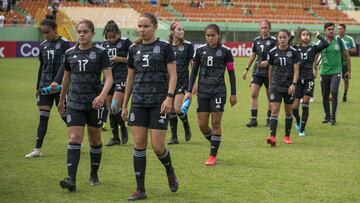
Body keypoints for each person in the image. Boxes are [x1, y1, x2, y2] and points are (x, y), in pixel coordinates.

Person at [121, 13, 178, 201]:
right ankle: (140, 189)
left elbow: (173, 75)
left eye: (146, 26)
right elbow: (130, 77)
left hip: (158, 103)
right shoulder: (133, 48)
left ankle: (169, 170)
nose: (142, 30)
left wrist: (169, 98)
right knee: (138, 143)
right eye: (139, 26)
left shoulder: (164, 47)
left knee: (158, 146)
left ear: (154, 27)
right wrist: (124, 104)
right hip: (138, 102)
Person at [58, 19, 113, 192]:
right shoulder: (69, 53)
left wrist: (102, 96)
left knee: (95, 139)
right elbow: (66, 78)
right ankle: (71, 179)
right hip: (74, 102)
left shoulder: (100, 52)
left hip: (94, 103)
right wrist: (61, 100)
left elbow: (109, 78)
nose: (81, 34)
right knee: (74, 138)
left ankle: (94, 174)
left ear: (92, 33)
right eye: (79, 31)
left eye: (85, 32)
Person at [185, 24, 237, 166]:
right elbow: (193, 72)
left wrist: (234, 93)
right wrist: (189, 91)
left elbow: (231, 73)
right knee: (202, 125)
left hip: (219, 92)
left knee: (216, 123)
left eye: (213, 35)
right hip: (202, 92)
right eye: (208, 35)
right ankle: (214, 142)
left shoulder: (226, 51)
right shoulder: (200, 51)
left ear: (218, 35)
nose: (210, 38)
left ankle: (212, 155)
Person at [25, 17, 70, 158]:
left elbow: (65, 66)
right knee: (43, 118)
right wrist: (38, 86)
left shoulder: (64, 43)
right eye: (43, 32)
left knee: (64, 114)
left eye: (47, 32)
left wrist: (56, 82)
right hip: (45, 86)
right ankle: (37, 149)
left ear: (54, 30)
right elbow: (41, 66)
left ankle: (76, 136)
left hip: (59, 87)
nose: (45, 35)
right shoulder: (43, 45)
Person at [292, 29, 329, 136]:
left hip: (309, 78)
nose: (306, 36)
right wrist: (292, 36)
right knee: (294, 108)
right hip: (297, 79)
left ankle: (302, 130)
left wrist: (319, 36)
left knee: (305, 105)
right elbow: (286, 44)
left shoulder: (313, 48)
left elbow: (325, 44)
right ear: (300, 37)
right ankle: (298, 121)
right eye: (303, 35)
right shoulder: (295, 48)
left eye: (308, 35)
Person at [267, 29, 299, 147]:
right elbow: (270, 70)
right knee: (274, 111)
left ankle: (287, 135)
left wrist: (294, 84)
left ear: (288, 38)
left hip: (289, 86)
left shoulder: (294, 52)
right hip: (276, 85)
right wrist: (270, 85)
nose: (282, 39)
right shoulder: (272, 52)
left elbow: (296, 70)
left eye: (284, 37)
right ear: (277, 39)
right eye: (280, 37)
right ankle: (273, 137)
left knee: (288, 111)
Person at [102, 20, 132, 146]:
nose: (111, 39)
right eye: (109, 37)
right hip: (108, 80)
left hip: (122, 78)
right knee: (110, 109)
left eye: (114, 37)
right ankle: (115, 137)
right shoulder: (104, 45)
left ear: (119, 34)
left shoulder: (125, 42)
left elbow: (134, 60)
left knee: (115, 106)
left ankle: (123, 129)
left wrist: (120, 59)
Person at [242, 20, 276, 127]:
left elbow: (277, 55)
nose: (263, 29)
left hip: (269, 73)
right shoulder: (256, 40)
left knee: (270, 96)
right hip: (257, 72)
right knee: (253, 94)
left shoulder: (274, 41)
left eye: (266, 27)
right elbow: (253, 55)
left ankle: (269, 119)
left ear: (269, 29)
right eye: (262, 28)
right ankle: (253, 120)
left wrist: (267, 63)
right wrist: (246, 68)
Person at [319, 22, 351, 125]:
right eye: (329, 29)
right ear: (325, 31)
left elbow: (347, 56)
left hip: (336, 71)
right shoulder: (320, 42)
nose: (331, 31)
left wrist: (349, 71)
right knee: (324, 95)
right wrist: (314, 68)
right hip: (324, 72)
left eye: (333, 29)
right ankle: (327, 116)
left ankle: (333, 118)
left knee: (334, 91)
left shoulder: (339, 40)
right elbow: (315, 55)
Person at [167, 21, 193, 144]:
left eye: (183, 29)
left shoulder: (188, 45)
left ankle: (186, 125)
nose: (182, 31)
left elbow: (193, 65)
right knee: (170, 109)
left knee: (177, 108)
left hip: (183, 81)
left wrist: (194, 84)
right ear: (172, 31)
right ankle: (174, 137)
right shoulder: (166, 46)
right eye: (179, 29)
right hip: (169, 82)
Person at [337, 23, 356, 102]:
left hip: (345, 63)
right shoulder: (335, 39)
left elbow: (355, 50)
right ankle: (335, 95)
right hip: (336, 63)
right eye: (338, 29)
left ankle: (345, 94)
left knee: (346, 80)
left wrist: (348, 50)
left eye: (340, 28)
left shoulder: (349, 39)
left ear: (344, 30)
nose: (339, 30)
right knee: (335, 80)